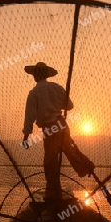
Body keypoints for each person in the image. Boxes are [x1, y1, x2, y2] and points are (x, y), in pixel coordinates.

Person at [22, 62, 93, 201]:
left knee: (50, 162)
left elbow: (29, 117)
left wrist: (26, 138)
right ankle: (87, 167)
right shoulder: (56, 87)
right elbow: (69, 106)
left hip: (50, 129)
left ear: (36, 76)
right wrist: (56, 104)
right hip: (62, 125)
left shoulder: (34, 93)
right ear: (47, 75)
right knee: (71, 151)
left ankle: (53, 194)